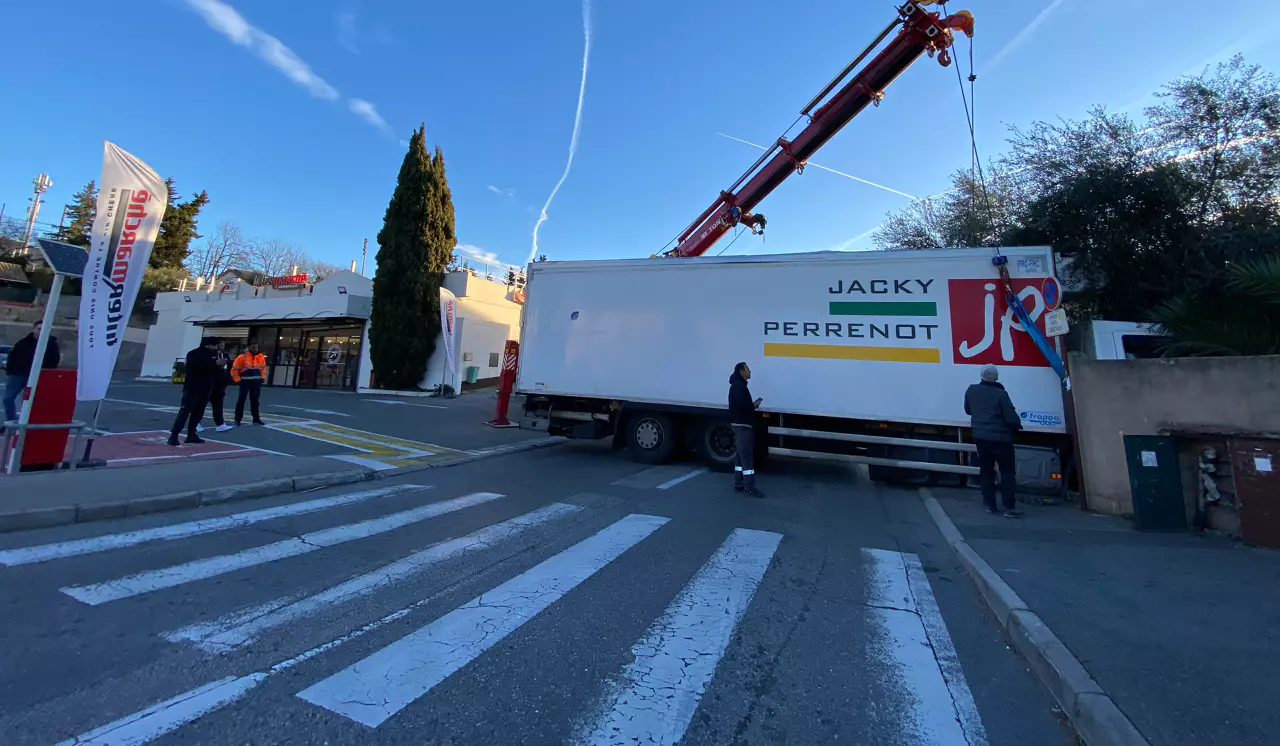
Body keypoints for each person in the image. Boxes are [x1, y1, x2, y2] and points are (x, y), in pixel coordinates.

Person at [964, 364, 1024, 517]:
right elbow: (1010, 417)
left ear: (982, 375)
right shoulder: (1001, 394)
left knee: (986, 471)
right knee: (1007, 472)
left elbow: (968, 410)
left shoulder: (971, 390)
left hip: (980, 437)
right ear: (996, 378)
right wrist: (1017, 426)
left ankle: (990, 505)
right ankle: (1009, 507)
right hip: (1001, 438)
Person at [3, 320, 60, 423]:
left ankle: (26, 423)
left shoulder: (51, 344)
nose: (41, 332)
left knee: (30, 402)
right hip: (18, 374)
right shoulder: (23, 342)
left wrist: (46, 374)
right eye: (39, 329)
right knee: (7, 398)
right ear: (33, 329)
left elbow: (54, 361)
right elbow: (12, 357)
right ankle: (11, 422)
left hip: (37, 376)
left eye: (44, 330)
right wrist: (10, 370)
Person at [168, 338, 219, 446]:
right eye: (214, 345)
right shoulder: (194, 354)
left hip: (206, 387)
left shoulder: (214, 355)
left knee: (198, 412)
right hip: (193, 387)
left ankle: (191, 434)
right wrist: (214, 363)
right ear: (207, 345)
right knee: (185, 410)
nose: (215, 347)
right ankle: (174, 435)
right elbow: (194, 368)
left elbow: (215, 369)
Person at [728, 361, 764, 498]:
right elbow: (744, 406)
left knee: (740, 456)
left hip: (739, 425)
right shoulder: (739, 387)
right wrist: (754, 405)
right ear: (741, 371)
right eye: (747, 369)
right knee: (747, 457)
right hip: (744, 426)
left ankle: (739, 483)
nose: (750, 371)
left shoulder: (736, 386)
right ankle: (750, 487)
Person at [232, 342, 268, 426]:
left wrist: (262, 378)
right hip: (244, 382)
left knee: (255, 401)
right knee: (241, 400)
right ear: (248, 347)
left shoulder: (260, 357)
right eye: (253, 347)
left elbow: (263, 369)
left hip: (256, 382)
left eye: (256, 347)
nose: (255, 349)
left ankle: (256, 419)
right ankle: (237, 419)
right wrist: (238, 380)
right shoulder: (242, 357)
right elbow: (234, 370)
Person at [207, 340, 234, 432]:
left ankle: (220, 423)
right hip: (210, 382)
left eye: (223, 344)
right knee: (202, 403)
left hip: (221, 382)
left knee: (218, 404)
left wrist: (228, 378)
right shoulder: (210, 354)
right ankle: (196, 423)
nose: (222, 345)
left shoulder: (225, 355)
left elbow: (229, 367)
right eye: (220, 343)